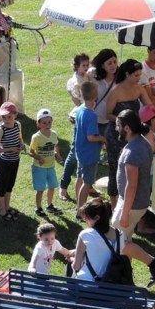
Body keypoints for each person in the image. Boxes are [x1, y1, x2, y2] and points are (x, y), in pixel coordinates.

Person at [72, 198, 155, 286]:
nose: (84, 220)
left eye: (86, 218)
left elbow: (76, 266)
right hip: (113, 286)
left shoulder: (85, 234)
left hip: (87, 285)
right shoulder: (119, 234)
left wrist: (73, 261)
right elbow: (106, 253)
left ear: (96, 218)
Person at [104, 59, 151, 205]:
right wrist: (122, 120)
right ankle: (114, 203)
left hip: (133, 135)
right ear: (127, 74)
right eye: (136, 75)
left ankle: (131, 201)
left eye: (140, 75)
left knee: (134, 168)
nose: (139, 78)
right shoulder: (116, 91)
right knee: (115, 168)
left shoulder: (139, 88)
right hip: (116, 134)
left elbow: (149, 106)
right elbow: (108, 114)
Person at [112, 109, 155, 238]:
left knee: (116, 241)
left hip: (131, 205)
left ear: (127, 128)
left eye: (118, 125)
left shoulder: (133, 152)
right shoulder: (143, 143)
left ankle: (150, 260)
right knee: (126, 241)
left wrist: (124, 213)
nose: (116, 129)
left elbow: (132, 186)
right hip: (136, 203)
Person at [60, 53, 91, 201]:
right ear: (77, 66)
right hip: (81, 117)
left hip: (86, 115)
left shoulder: (84, 78)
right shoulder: (76, 82)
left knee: (85, 151)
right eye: (84, 65)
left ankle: (86, 183)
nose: (86, 67)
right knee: (74, 152)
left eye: (87, 65)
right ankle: (63, 187)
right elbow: (80, 101)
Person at [74, 81, 106, 208]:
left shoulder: (80, 109)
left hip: (80, 151)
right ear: (96, 95)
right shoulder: (91, 114)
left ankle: (78, 204)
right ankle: (81, 209)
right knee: (87, 183)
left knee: (80, 178)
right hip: (89, 154)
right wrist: (103, 138)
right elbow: (91, 137)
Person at [0, 102, 25, 221]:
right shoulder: (1, 130)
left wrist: (22, 145)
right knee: (1, 187)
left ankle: (7, 207)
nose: (6, 120)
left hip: (15, 160)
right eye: (4, 117)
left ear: (15, 115)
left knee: (9, 185)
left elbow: (20, 138)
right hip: (5, 162)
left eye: (9, 117)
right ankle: (2, 211)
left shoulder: (18, 125)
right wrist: (10, 149)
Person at [29, 108, 62, 217]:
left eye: (49, 122)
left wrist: (57, 154)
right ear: (38, 124)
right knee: (40, 189)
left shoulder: (53, 134)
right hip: (39, 167)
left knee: (52, 186)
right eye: (44, 123)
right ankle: (38, 208)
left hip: (51, 166)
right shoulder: (36, 137)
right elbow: (31, 151)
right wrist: (38, 157)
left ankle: (49, 205)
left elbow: (55, 146)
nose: (47, 124)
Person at [88, 48, 118, 144]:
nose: (113, 65)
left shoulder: (120, 78)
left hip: (112, 120)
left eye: (115, 62)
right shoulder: (93, 75)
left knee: (110, 146)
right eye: (109, 63)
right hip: (95, 119)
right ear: (102, 65)